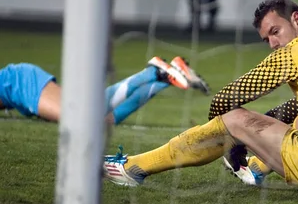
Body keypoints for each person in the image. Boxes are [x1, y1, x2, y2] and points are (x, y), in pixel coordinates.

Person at [103, 0, 298, 200]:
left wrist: (234, 142)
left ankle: (134, 167)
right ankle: (256, 168)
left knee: (233, 118)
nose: (273, 44)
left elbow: (224, 101)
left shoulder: (295, 51)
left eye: (276, 31)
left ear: (297, 20)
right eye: (267, 39)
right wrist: (271, 119)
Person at [0, 57, 210, 124]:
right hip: (15, 91)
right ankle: (165, 77)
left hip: (16, 84)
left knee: (81, 115)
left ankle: (153, 73)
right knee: (103, 120)